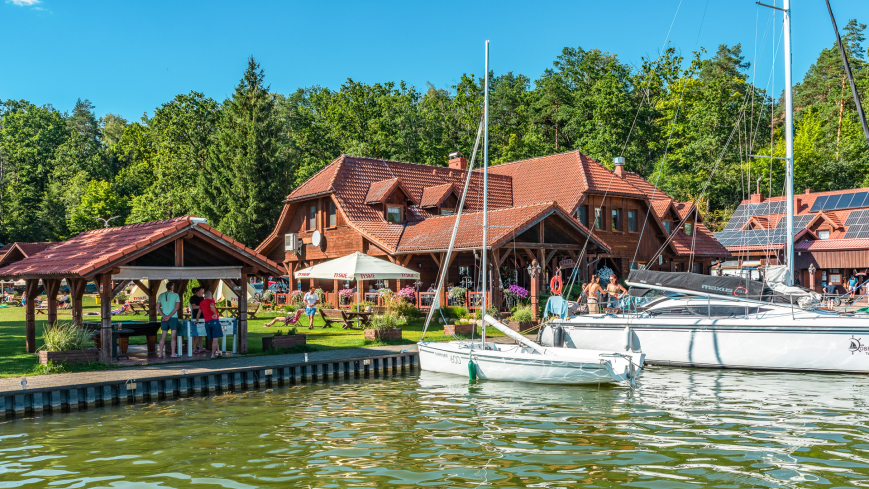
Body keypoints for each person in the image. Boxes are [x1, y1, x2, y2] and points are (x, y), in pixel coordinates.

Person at [157, 282, 181, 359]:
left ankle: (160, 354)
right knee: (173, 337)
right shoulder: (176, 295)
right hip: (173, 318)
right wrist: (169, 316)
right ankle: (173, 353)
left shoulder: (161, 295)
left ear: (166, 287)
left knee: (163, 336)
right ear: (173, 287)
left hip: (164, 318)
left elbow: (157, 307)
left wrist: (164, 315)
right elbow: (177, 307)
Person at [200, 291, 223, 359]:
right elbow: (212, 306)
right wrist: (215, 314)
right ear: (211, 296)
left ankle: (218, 351)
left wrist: (196, 320)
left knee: (214, 338)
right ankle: (213, 354)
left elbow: (199, 312)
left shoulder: (201, 302)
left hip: (207, 322)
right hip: (214, 321)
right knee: (215, 338)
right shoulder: (211, 301)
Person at [189, 287, 206, 354]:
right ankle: (194, 347)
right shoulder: (193, 298)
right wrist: (202, 307)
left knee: (201, 333)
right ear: (197, 292)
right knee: (195, 333)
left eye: (203, 292)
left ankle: (201, 347)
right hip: (195, 317)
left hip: (202, 316)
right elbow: (193, 306)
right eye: (201, 292)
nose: (202, 293)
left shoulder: (202, 298)